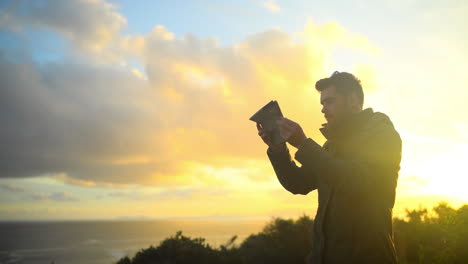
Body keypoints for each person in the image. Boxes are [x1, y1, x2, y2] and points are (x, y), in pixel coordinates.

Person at [257, 71, 402, 264]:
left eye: (330, 101)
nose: (323, 110)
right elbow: (298, 183)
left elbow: (358, 181)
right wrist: (278, 150)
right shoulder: (332, 146)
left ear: (352, 100)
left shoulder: (382, 135)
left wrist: (303, 143)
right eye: (322, 104)